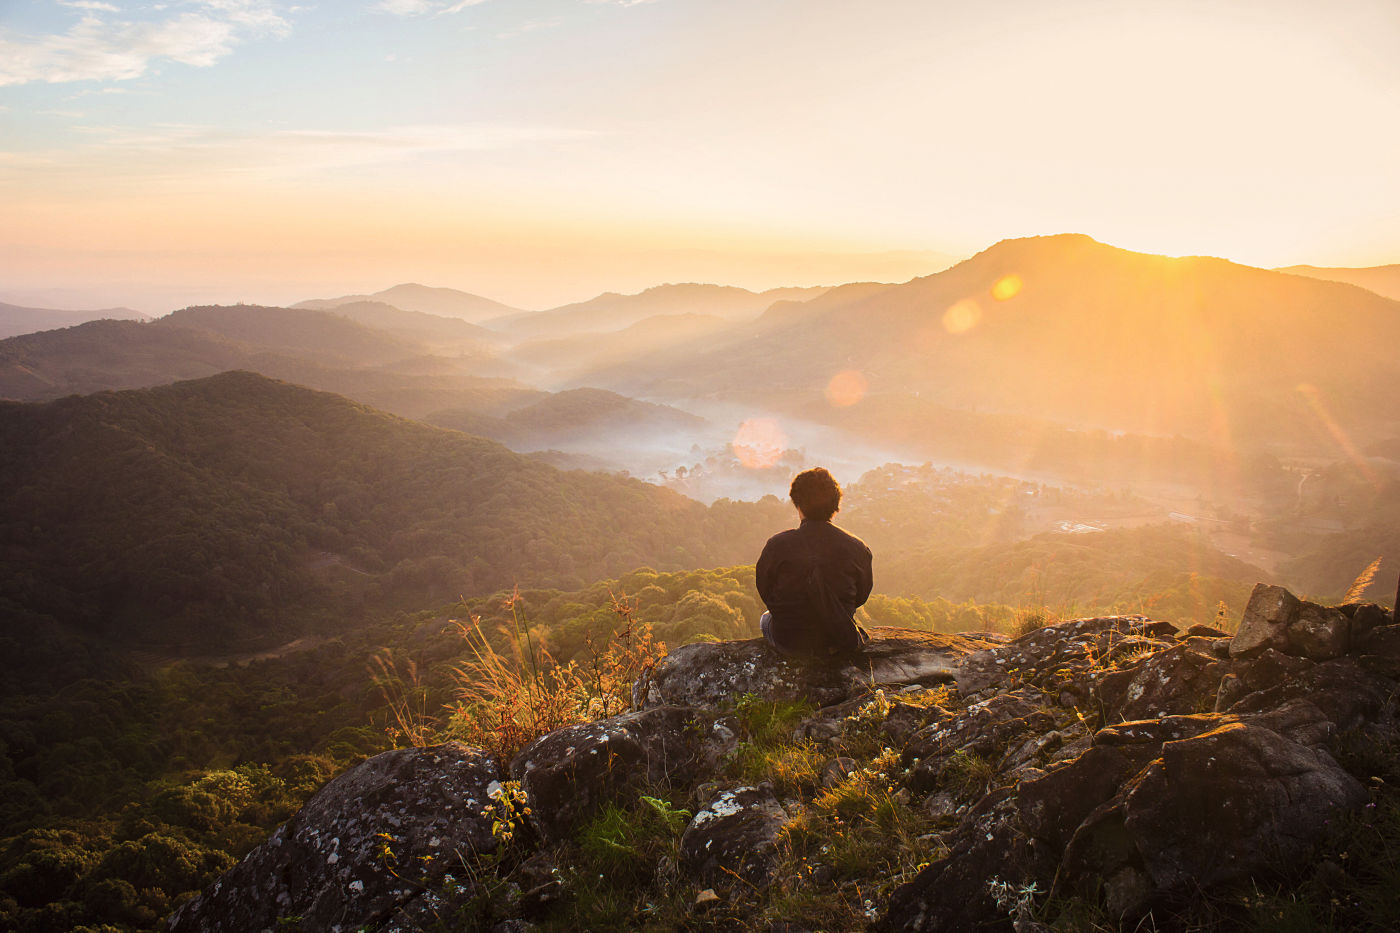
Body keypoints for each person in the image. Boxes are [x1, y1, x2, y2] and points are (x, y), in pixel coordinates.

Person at [756, 467, 873, 657]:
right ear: (835, 507)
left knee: (765, 618)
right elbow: (861, 596)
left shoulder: (777, 545)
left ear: (798, 505)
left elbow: (765, 590)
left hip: (790, 640)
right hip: (837, 637)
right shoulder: (858, 549)